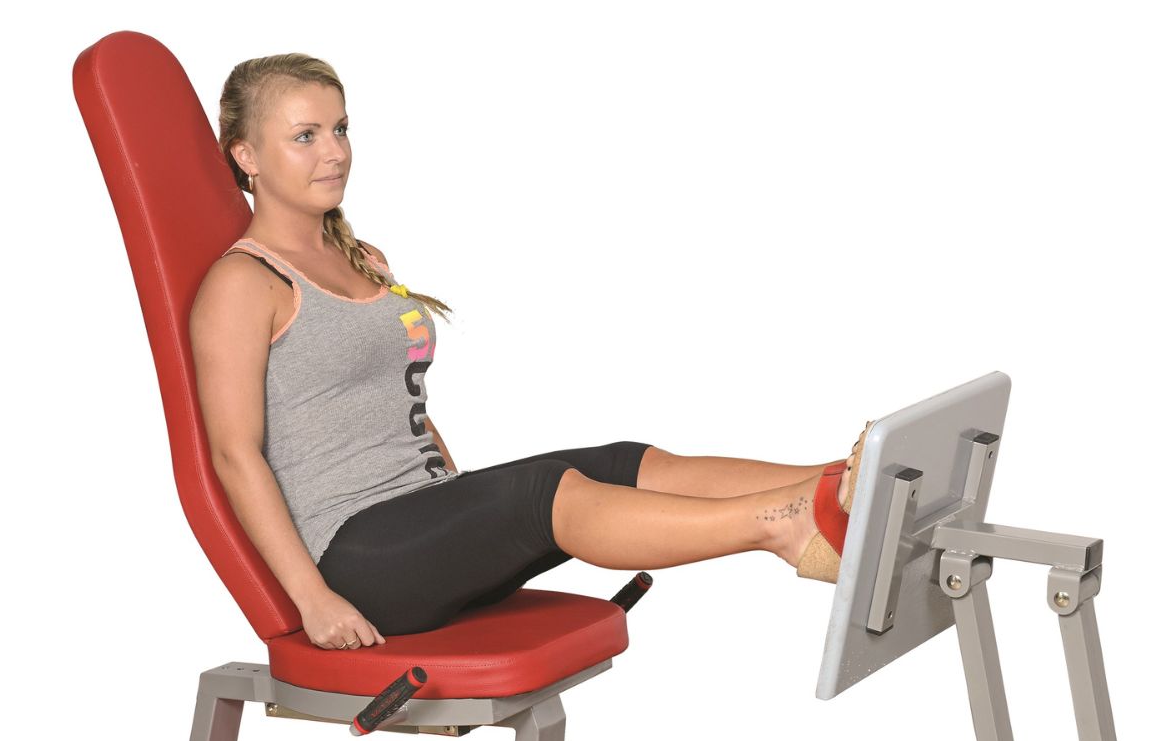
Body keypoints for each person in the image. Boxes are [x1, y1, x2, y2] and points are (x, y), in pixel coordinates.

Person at [190, 53, 871, 650]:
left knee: (616, 462)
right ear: (247, 156)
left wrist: (464, 506)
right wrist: (312, 598)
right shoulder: (244, 283)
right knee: (541, 494)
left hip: (420, 526)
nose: (334, 152)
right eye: (304, 136)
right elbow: (233, 454)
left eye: (340, 129)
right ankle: (782, 525)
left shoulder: (362, 257)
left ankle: (839, 482)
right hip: (357, 560)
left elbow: (400, 408)